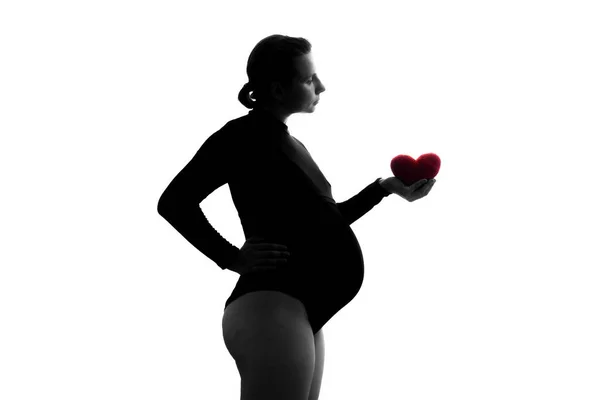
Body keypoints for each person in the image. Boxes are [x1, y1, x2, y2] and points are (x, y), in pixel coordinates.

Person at [157, 34, 435, 400]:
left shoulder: (288, 142)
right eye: (308, 79)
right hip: (271, 307)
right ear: (277, 88)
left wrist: (383, 188)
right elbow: (174, 202)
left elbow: (324, 223)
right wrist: (231, 257)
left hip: (301, 310)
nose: (321, 86)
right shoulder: (240, 136)